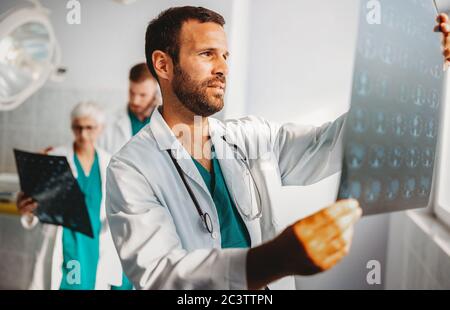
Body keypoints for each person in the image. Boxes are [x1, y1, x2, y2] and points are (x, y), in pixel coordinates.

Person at [105, 7, 450, 290]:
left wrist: (419, 72)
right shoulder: (131, 168)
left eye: (225, 55)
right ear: (164, 64)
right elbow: (161, 274)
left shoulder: (249, 137)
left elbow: (329, 144)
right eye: (207, 54)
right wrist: (275, 259)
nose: (223, 67)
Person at [17, 101, 132, 290]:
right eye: (78, 128)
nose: (83, 134)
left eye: (89, 128)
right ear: (72, 127)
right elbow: (33, 200)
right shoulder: (54, 158)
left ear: (100, 129)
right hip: (64, 242)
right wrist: (25, 205)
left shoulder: (111, 163)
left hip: (95, 243)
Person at [98, 63, 160, 155]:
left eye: (143, 95)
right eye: (132, 93)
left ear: (155, 91)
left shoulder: (166, 120)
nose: (135, 101)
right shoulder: (108, 121)